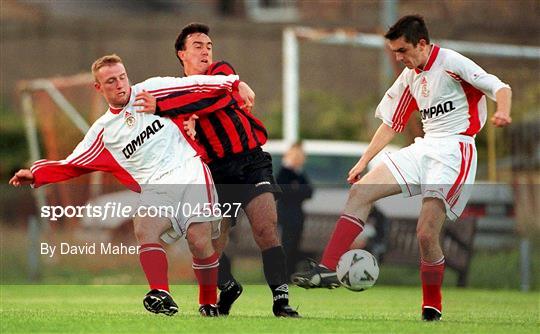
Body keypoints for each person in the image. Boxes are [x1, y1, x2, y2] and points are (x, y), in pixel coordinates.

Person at [291, 15, 512, 322]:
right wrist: (364, 161)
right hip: (425, 146)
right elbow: (391, 123)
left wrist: (503, 111)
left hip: (454, 150)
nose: (398, 57)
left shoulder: (452, 63)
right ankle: (328, 269)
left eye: (402, 50)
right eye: (395, 51)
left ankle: (431, 306)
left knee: (425, 233)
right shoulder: (411, 75)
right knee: (360, 191)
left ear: (422, 44)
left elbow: (500, 87)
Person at [9, 54, 255, 317]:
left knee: (198, 242)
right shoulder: (104, 131)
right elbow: (74, 163)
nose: (120, 84)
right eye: (111, 81)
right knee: (144, 226)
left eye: (122, 77)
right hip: (155, 187)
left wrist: (234, 83)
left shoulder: (152, 90)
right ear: (98, 87)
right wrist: (37, 175)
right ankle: (161, 293)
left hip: (189, 172)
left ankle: (207, 303)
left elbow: (194, 85)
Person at [149, 23, 300, 317]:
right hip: (215, 173)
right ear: (182, 53)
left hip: (251, 162)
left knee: (266, 228)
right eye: (197, 46)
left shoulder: (222, 71)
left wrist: (184, 109)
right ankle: (228, 286)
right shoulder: (174, 89)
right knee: (210, 243)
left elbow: (213, 96)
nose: (205, 50)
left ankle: (281, 301)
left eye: (208, 45)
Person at [276, 142, 313, 279]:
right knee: (287, 244)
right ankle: (284, 275)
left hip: (297, 215)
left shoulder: (299, 174)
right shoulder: (284, 173)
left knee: (295, 244)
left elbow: (309, 191)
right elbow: (282, 191)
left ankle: (290, 273)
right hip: (287, 216)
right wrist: (296, 190)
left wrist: (296, 189)